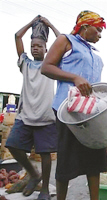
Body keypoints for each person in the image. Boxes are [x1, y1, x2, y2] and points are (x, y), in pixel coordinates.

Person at [41, 11, 107, 200]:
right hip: (69, 109)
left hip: (91, 112)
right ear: (86, 26)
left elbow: (93, 84)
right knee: (66, 159)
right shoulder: (66, 40)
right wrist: (74, 77)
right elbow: (46, 67)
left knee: (95, 157)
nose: (100, 35)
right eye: (98, 30)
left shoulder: (93, 52)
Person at [5, 16, 60, 200]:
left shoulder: (50, 65)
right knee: (12, 145)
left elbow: (62, 44)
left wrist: (50, 24)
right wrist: (30, 23)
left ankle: (44, 188)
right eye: (32, 46)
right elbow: (17, 37)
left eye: (39, 46)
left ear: (46, 48)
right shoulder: (25, 64)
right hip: (25, 115)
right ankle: (33, 174)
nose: (35, 48)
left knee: (45, 154)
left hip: (45, 116)